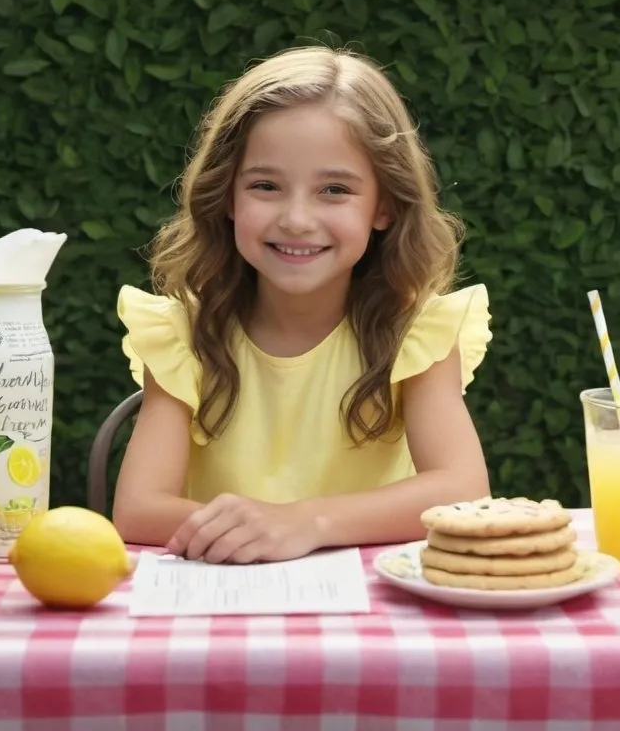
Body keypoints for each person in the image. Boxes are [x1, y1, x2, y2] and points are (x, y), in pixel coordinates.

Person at [112, 46, 492, 564]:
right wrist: (261, 532)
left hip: (373, 616)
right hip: (222, 598)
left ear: (383, 206)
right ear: (226, 196)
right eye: (266, 186)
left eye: (334, 190)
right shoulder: (182, 333)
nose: (295, 218)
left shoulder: (416, 331)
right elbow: (137, 509)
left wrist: (304, 523)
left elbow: (463, 490)